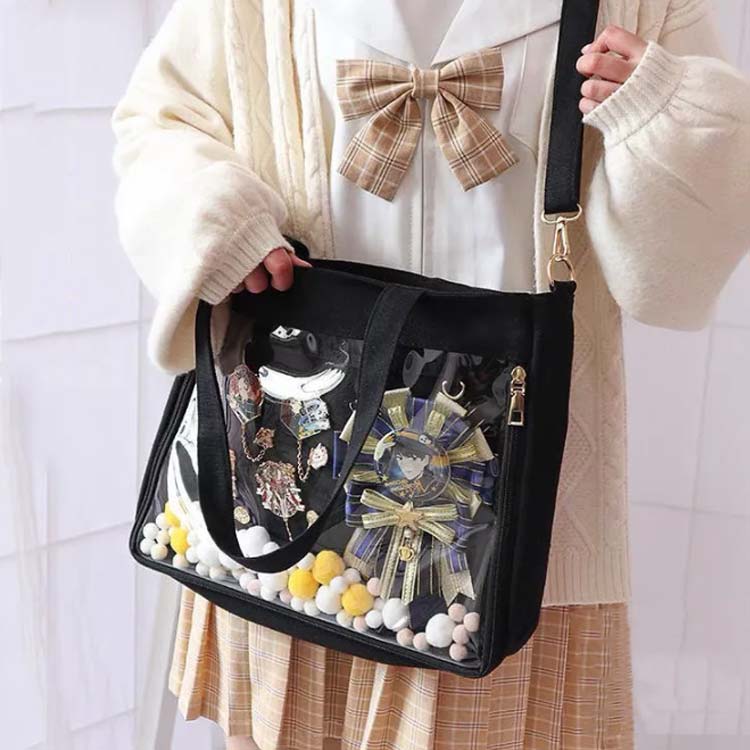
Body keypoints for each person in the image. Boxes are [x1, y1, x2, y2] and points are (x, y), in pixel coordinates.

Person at [112, 1, 750, 748]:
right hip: (287, 495)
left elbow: (672, 287)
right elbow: (161, 120)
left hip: (514, 524)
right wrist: (221, 223)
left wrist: (664, 115)